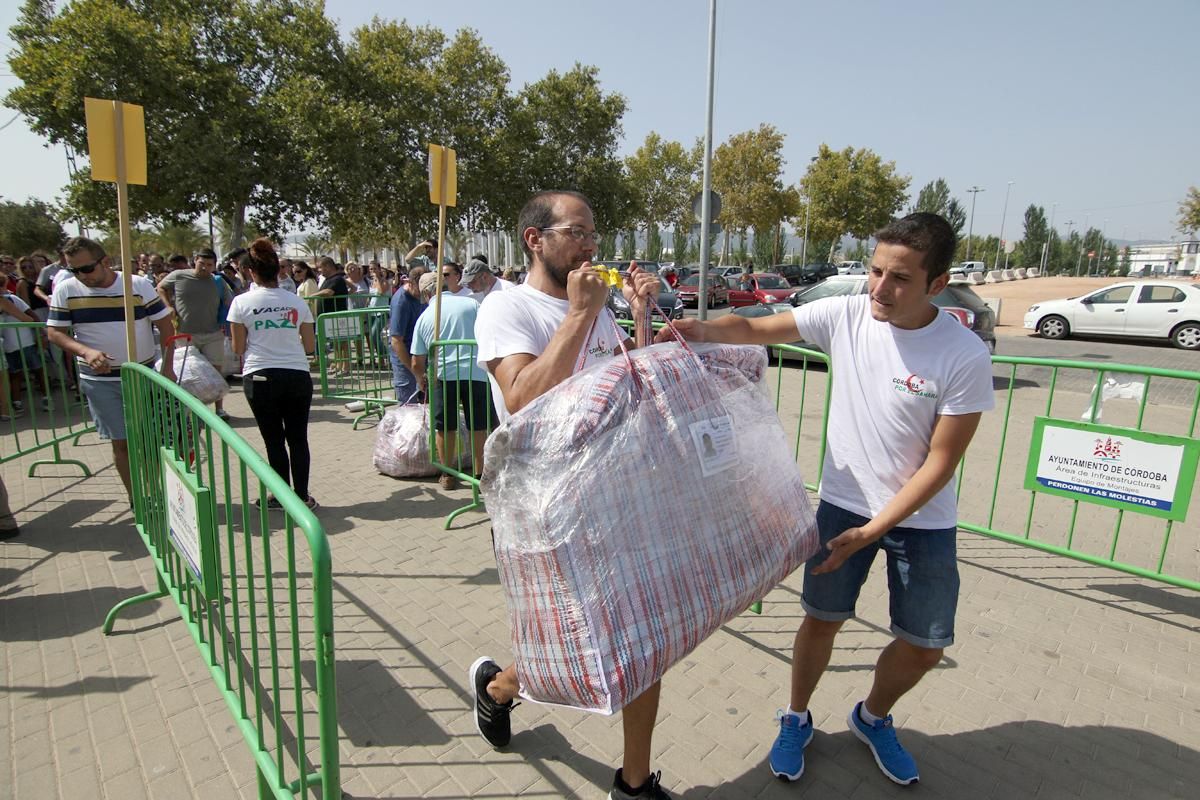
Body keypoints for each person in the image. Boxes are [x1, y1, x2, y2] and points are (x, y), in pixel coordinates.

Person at [659, 212, 994, 787]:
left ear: (937, 284)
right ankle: (796, 717)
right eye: (875, 271)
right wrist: (700, 330)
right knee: (821, 619)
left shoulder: (963, 354)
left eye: (900, 279)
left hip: (922, 521)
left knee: (925, 644)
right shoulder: (847, 313)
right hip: (842, 503)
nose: (880, 289)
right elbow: (762, 329)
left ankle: (872, 717)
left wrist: (875, 528)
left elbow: (941, 462)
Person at [471, 190, 665, 800]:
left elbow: (629, 376)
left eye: (592, 233)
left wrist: (635, 314)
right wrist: (581, 314)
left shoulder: (599, 303)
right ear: (536, 239)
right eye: (576, 232)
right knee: (567, 646)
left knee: (644, 636)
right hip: (542, 509)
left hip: (615, 494)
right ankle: (498, 688)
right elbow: (523, 398)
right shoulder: (507, 310)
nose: (590, 245)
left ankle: (634, 782)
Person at [46, 237, 176, 503]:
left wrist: (168, 368)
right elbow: (54, 332)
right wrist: (86, 351)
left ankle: (157, 494)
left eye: (86, 269)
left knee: (148, 440)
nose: (81, 276)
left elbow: (165, 326)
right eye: (73, 270)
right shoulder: (66, 290)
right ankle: (138, 500)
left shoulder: (136, 285)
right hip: (100, 380)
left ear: (105, 262)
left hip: (142, 375)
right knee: (122, 441)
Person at [226, 238, 318, 511]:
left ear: (251, 272)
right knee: (298, 438)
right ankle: (302, 496)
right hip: (296, 374)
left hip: (260, 376)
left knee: (273, 439)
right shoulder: (297, 302)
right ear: (279, 270)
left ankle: (280, 496)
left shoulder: (241, 303)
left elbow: (238, 347)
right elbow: (310, 345)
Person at [410, 271, 496, 490]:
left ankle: (447, 473)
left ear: (426, 293)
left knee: (444, 426)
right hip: (476, 372)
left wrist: (420, 377)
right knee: (479, 425)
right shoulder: (472, 305)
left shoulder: (424, 317)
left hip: (443, 376)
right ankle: (480, 473)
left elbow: (416, 361)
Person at [157, 247, 232, 420]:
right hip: (185, 334)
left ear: (214, 265)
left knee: (215, 371)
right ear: (195, 260)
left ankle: (219, 409)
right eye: (201, 263)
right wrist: (168, 306)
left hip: (213, 333)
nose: (205, 267)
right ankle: (190, 411)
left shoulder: (219, 281)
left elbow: (230, 301)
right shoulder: (179, 275)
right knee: (190, 374)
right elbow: (160, 288)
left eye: (209, 264)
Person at [388, 266, 426, 403]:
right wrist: (413, 370)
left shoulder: (423, 297)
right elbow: (396, 340)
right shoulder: (401, 302)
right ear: (410, 283)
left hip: (421, 354)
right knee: (408, 402)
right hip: (404, 357)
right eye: (420, 288)